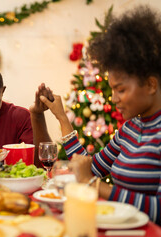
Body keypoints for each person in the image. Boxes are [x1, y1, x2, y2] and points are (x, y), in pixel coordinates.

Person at [38, 5, 161, 225]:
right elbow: (90, 167)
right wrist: (62, 118)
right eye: (112, 89)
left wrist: (94, 184)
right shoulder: (130, 129)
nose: (114, 99)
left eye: (121, 90)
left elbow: (158, 210)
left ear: (151, 84)